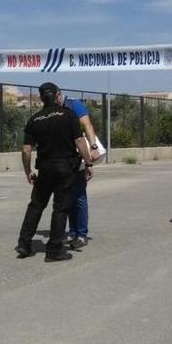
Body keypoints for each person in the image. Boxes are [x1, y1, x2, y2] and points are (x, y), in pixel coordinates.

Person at [16, 83, 95, 262]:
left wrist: (28, 171)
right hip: (65, 169)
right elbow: (80, 142)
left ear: (42, 98)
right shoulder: (69, 115)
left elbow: (26, 150)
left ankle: (24, 243)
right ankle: (54, 250)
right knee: (60, 209)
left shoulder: (34, 119)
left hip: (44, 169)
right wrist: (88, 163)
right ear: (58, 95)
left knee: (35, 206)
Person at [62, 95, 101, 250]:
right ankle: (72, 231)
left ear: (59, 94)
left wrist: (93, 147)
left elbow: (87, 126)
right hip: (63, 158)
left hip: (78, 155)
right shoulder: (53, 109)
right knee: (68, 197)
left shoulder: (74, 105)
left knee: (79, 196)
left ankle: (81, 234)